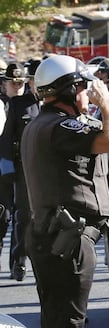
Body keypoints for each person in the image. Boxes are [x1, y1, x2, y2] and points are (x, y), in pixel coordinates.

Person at [21, 55, 109, 327]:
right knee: (69, 321)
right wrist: (106, 104)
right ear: (67, 90)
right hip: (69, 239)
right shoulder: (61, 127)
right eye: (81, 87)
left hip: (50, 233)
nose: (86, 93)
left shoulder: (40, 124)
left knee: (56, 318)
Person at [0, 59, 41, 281]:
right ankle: (19, 261)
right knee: (24, 216)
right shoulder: (19, 105)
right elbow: (6, 139)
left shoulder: (52, 104)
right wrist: (7, 169)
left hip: (47, 169)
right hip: (23, 168)